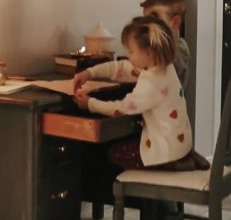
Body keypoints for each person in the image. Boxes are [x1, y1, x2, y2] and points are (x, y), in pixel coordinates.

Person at [71, 15, 206, 172]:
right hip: (180, 143)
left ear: (148, 52)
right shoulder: (164, 67)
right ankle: (185, 156)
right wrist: (89, 73)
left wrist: (90, 103)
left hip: (163, 152)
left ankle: (172, 164)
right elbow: (122, 68)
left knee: (114, 153)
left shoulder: (150, 83)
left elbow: (120, 108)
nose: (128, 56)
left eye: (131, 52)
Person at [139, 0, 192, 87]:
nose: (146, 25)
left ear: (175, 22)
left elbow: (163, 65)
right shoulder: (153, 44)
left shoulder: (180, 48)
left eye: (154, 19)